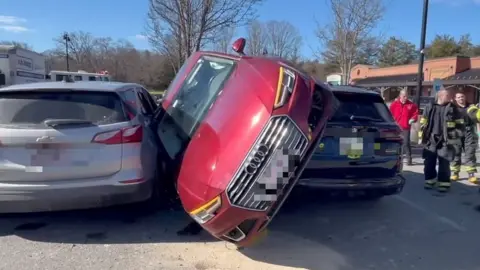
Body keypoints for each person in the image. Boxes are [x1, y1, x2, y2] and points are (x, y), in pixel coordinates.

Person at [419, 88, 465, 192]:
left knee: (444, 162)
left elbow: (461, 126)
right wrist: (422, 136)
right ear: (440, 96)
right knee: (429, 161)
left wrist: (454, 134)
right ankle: (430, 180)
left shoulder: (454, 108)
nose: (450, 98)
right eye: (447, 96)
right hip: (431, 139)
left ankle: (444, 182)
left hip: (446, 140)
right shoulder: (429, 107)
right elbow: (423, 121)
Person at [451, 91, 478, 184]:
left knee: (470, 153)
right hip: (456, 132)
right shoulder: (452, 108)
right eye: (458, 97)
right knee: (456, 153)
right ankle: (455, 173)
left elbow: (477, 117)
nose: (460, 98)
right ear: (455, 99)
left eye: (462, 96)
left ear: (465, 97)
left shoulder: (472, 107)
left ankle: (471, 174)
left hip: (469, 132)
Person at [389, 90, 419, 165]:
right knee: (395, 143)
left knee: (406, 143)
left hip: (406, 127)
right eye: (404, 96)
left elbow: (415, 113)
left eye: (406, 96)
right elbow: (389, 114)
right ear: (400, 96)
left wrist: (413, 119)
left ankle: (409, 159)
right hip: (396, 127)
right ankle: (396, 158)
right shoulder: (394, 104)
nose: (405, 98)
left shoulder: (411, 105)